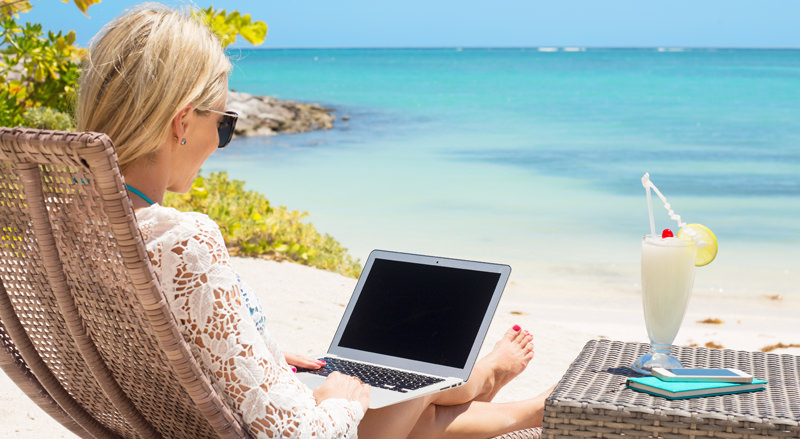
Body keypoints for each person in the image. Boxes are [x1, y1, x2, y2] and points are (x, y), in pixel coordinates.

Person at [77, 3, 553, 438]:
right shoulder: (182, 239)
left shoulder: (73, 228)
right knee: (416, 382)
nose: (221, 141)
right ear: (182, 123)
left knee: (404, 386)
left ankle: (500, 393)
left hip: (184, 414)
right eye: (223, 124)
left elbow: (144, 345)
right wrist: (337, 402)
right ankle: (500, 392)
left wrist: (245, 355)